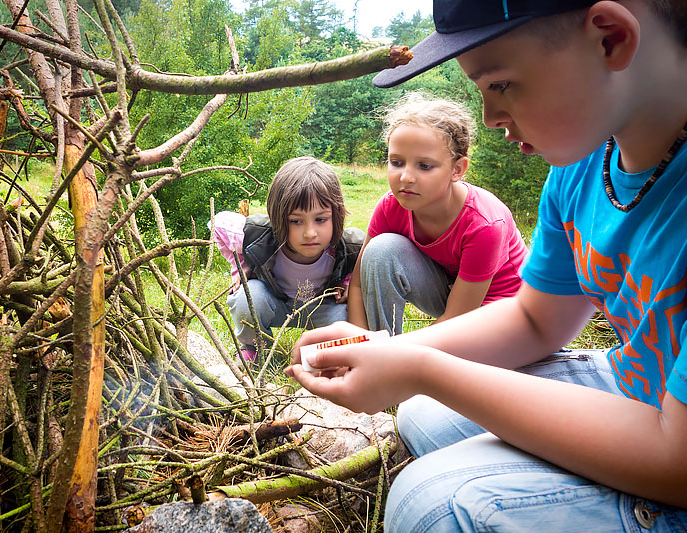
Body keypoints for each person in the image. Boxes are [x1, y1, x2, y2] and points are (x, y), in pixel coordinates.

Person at [285, 0, 687, 531]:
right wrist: (388, 351)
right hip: (638, 382)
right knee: (421, 413)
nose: (491, 118)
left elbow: (677, 460)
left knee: (426, 508)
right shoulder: (586, 163)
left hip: (672, 442)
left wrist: (421, 368)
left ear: (610, 38)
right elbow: (536, 320)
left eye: (499, 84)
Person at [348, 93, 528, 334]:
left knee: (457, 365)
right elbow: (358, 286)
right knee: (381, 249)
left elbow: (457, 320)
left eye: (424, 166)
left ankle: (389, 360)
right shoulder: (392, 206)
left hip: (504, 313)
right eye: (397, 162)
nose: (406, 177)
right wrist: (358, 342)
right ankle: (379, 348)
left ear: (457, 169)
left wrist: (393, 356)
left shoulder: (484, 224)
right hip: (454, 296)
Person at [213, 156, 364, 362]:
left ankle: (324, 356)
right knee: (246, 299)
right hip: (275, 303)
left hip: (323, 307)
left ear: (336, 216)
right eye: (296, 221)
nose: (310, 233)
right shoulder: (260, 235)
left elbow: (367, 263)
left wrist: (348, 282)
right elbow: (218, 224)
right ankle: (256, 350)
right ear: (277, 218)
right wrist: (241, 266)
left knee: (349, 316)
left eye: (320, 219)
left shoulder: (350, 246)